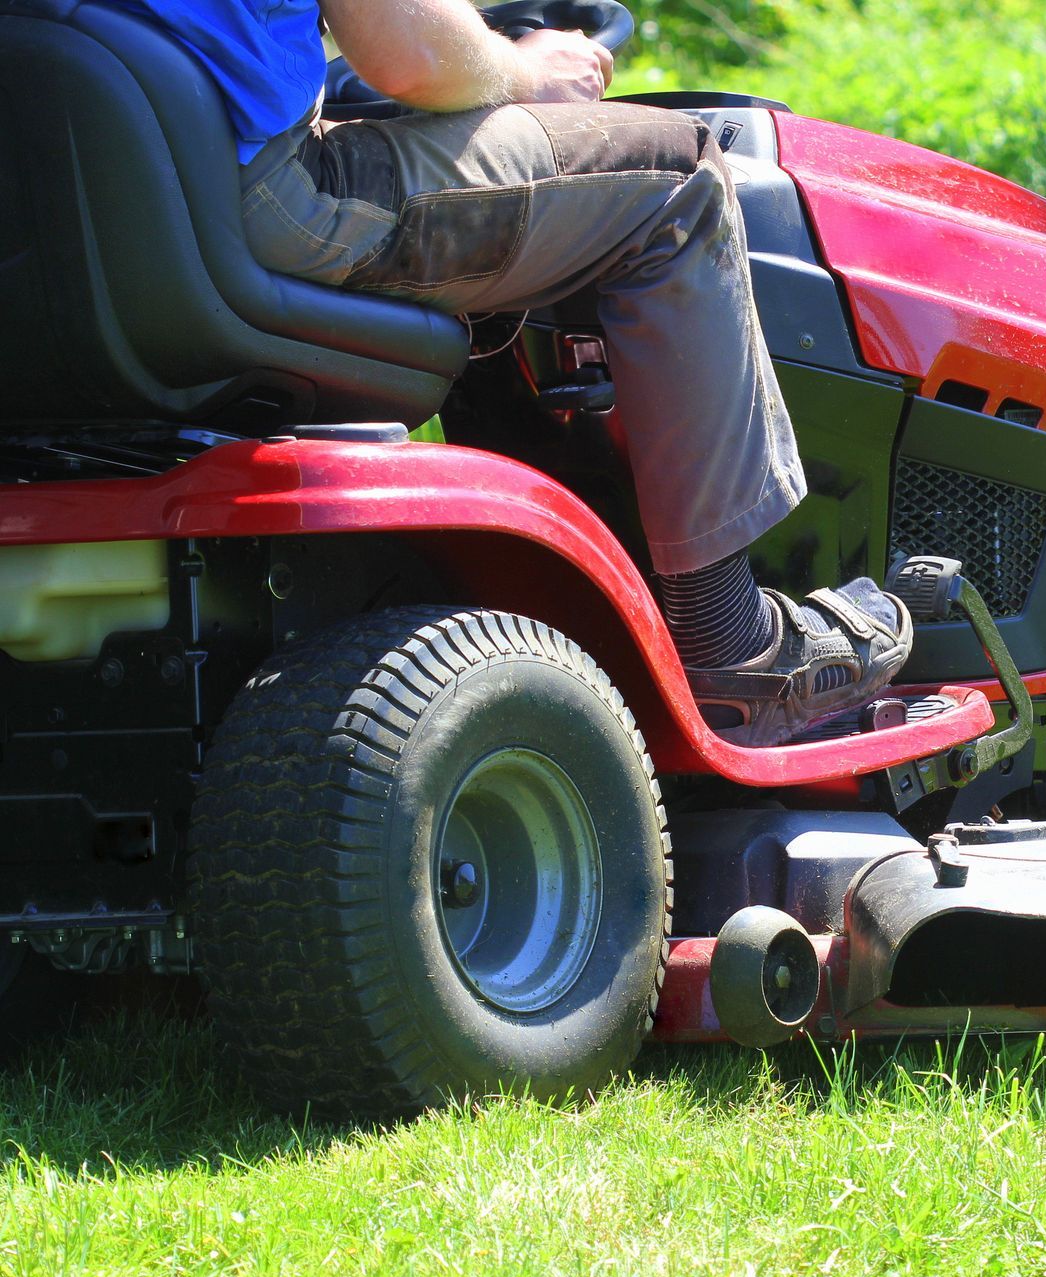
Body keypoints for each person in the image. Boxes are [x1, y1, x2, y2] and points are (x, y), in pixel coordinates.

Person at [108, 0, 912, 747]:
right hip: (262, 201)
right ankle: (733, 647)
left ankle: (524, 590)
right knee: (678, 178)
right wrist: (528, 71)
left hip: (97, 211)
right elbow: (414, 54)